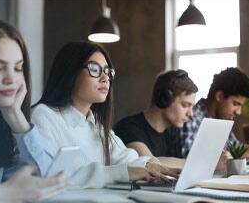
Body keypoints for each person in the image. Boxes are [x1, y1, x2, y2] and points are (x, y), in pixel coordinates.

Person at [31, 41, 177, 189]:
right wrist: (122, 173)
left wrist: (156, 168)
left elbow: (127, 159)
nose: (105, 78)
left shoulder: (95, 124)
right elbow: (52, 178)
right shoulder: (43, 116)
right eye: (94, 69)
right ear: (70, 72)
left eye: (108, 71)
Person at [0, 17, 68, 203]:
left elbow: (50, 181)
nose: (11, 78)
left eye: (18, 68)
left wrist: (15, 116)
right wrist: (4, 194)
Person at [114, 70, 198, 168]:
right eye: (185, 105)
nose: (191, 114)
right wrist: (195, 163)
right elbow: (149, 164)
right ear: (165, 99)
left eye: (192, 106)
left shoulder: (173, 132)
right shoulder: (127, 127)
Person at [180, 67, 249, 160]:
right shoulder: (190, 117)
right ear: (219, 96)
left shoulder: (221, 120)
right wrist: (237, 156)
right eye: (236, 104)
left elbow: (235, 147)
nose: (238, 112)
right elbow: (189, 159)